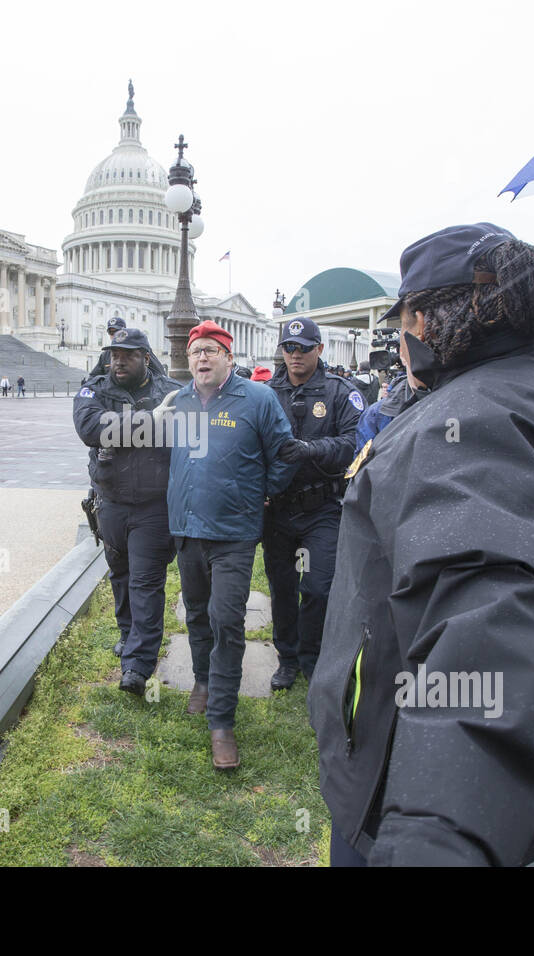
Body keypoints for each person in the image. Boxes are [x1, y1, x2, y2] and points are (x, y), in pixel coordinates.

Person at [310, 223, 534, 866]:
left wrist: (435, 835)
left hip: (400, 781)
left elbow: (479, 620)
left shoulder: (476, 415)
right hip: (496, 761)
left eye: (404, 320)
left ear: (429, 317)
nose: (400, 338)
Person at [166, 320, 296, 769]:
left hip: (234, 534)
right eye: (195, 351)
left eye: (210, 351)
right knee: (197, 614)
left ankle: (222, 721)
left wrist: (260, 493)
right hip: (187, 529)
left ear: (228, 358)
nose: (201, 358)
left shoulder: (258, 399)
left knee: (227, 621)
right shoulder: (178, 401)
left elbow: (284, 455)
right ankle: (202, 680)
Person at [73, 328, 178, 694]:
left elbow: (184, 435)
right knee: (120, 575)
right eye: (114, 354)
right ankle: (127, 633)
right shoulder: (95, 390)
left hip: (153, 507)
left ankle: (137, 664)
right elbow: (90, 428)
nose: (118, 360)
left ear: (145, 358)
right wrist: (149, 422)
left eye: (128, 355)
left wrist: (119, 429)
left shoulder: (169, 392)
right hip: (111, 503)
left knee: (145, 582)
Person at [262, 316, 361, 690]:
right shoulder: (268, 392)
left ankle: (313, 655)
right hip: (279, 507)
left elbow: (354, 443)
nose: (295, 355)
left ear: (319, 349)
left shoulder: (340, 392)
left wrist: (308, 450)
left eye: (303, 348)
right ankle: (287, 659)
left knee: (318, 587)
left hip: (322, 507)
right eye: (289, 347)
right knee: (282, 586)